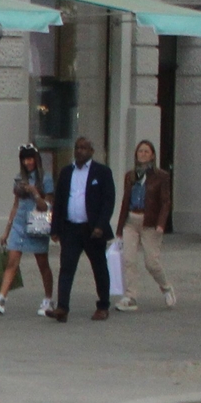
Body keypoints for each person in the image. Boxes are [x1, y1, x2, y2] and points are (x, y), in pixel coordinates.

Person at [49, 135, 116, 323]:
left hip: (92, 229)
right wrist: (55, 228)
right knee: (66, 268)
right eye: (77, 148)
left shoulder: (101, 172)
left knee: (99, 268)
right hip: (70, 228)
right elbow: (59, 201)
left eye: (84, 148)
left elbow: (108, 201)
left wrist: (101, 226)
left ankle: (103, 305)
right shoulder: (66, 172)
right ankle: (62, 307)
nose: (79, 151)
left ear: (91, 152)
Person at [0, 145, 53, 317]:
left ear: (37, 159)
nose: (28, 162)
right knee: (11, 261)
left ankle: (49, 299)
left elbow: (48, 206)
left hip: (38, 223)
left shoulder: (46, 178)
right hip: (20, 224)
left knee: (42, 264)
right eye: (25, 159)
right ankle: (1, 297)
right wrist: (6, 231)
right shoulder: (19, 178)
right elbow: (16, 205)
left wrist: (35, 193)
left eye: (30, 158)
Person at [113, 139, 176, 310]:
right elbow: (125, 202)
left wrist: (161, 223)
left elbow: (165, 202)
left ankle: (166, 287)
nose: (143, 154)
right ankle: (130, 296)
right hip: (131, 221)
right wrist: (119, 229)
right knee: (129, 259)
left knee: (151, 262)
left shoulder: (161, 176)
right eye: (140, 151)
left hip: (150, 222)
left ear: (152, 155)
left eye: (146, 151)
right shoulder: (130, 176)